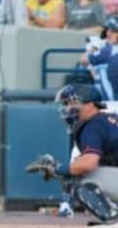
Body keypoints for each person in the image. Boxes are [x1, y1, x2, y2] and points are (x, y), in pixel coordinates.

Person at [32, 84, 118, 224]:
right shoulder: (107, 119)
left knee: (79, 181)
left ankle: (113, 222)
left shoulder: (92, 125)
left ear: (90, 105)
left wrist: (59, 169)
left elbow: (88, 164)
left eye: (72, 103)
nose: (67, 108)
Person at [80, 15, 118, 100]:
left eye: (114, 31)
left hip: (111, 102)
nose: (109, 33)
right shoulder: (108, 49)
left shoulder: (109, 51)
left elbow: (83, 59)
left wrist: (93, 47)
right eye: (108, 30)